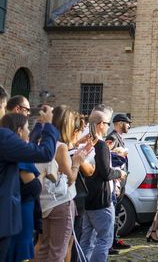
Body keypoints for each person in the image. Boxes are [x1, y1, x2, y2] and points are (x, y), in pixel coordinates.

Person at [0, 99, 58, 262]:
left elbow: (27, 145)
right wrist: (48, 125)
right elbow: (45, 152)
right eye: (4, 106)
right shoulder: (3, 136)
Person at [37, 105, 92, 262]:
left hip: (45, 202)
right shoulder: (60, 147)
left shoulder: (43, 142)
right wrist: (77, 161)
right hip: (60, 202)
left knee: (44, 247)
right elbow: (70, 179)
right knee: (58, 251)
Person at [80, 105, 127, 262]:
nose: (108, 127)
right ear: (100, 124)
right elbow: (106, 173)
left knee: (87, 240)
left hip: (87, 199)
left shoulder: (87, 142)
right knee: (104, 241)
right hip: (101, 199)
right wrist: (119, 173)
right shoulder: (100, 145)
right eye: (107, 123)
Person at [2, 113, 42, 262]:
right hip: (19, 213)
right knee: (18, 253)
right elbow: (34, 187)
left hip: (14, 212)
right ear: (19, 130)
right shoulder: (17, 153)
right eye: (27, 128)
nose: (29, 132)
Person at [105, 112, 132, 253]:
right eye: (127, 123)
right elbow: (109, 158)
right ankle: (109, 243)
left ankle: (114, 240)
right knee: (113, 212)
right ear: (120, 123)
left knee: (116, 212)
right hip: (115, 181)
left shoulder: (119, 138)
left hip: (121, 181)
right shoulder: (112, 138)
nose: (129, 125)